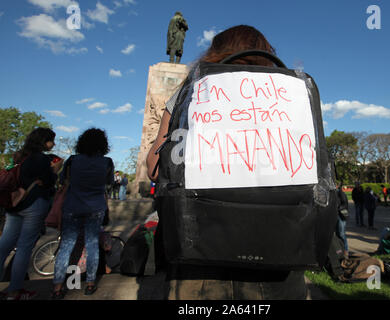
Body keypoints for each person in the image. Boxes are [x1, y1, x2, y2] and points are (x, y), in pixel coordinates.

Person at [147, 25, 308, 300]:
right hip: (278, 250)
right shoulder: (293, 91)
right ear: (268, 53)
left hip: (198, 252)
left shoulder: (192, 90)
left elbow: (154, 168)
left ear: (213, 52)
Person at [0, 128, 62, 300]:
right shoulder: (40, 158)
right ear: (44, 141)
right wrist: (55, 170)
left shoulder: (21, 156)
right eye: (51, 140)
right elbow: (49, 182)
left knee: (4, 245)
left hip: (15, 204)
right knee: (24, 248)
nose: (53, 144)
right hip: (33, 205)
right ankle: (15, 290)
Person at [52, 128, 114, 299]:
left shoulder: (72, 161)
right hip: (95, 207)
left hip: (72, 206)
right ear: (103, 144)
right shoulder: (107, 162)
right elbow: (108, 184)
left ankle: (57, 287)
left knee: (66, 246)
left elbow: (63, 181)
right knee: (92, 243)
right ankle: (90, 284)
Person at [336, 184, 349, 256]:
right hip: (335, 216)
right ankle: (340, 250)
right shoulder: (331, 193)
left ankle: (346, 250)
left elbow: (345, 204)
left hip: (341, 216)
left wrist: (337, 208)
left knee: (341, 234)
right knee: (337, 234)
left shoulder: (340, 193)